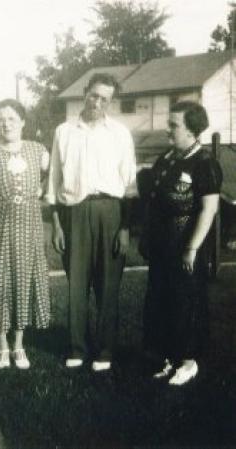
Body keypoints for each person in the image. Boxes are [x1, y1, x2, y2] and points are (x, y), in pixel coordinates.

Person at [46, 73, 137, 371]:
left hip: (110, 211)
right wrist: (57, 225)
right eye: (94, 95)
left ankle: (105, 351)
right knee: (77, 285)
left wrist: (125, 227)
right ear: (85, 92)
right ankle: (77, 347)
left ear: (111, 102)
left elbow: (130, 184)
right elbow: (54, 182)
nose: (98, 103)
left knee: (108, 285)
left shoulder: (120, 133)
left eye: (105, 99)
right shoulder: (64, 131)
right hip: (75, 212)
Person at [141, 101, 223, 385]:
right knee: (161, 300)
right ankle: (167, 356)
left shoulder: (204, 163)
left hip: (186, 244)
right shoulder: (167, 159)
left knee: (185, 301)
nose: (168, 129)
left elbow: (208, 209)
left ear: (193, 130)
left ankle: (187, 362)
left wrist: (192, 248)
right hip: (162, 244)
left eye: (174, 125)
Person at [0, 98, 50, 369]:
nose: (6, 123)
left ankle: (19, 345)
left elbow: (57, 173)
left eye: (12, 118)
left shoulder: (38, 150)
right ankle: (2, 346)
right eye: (1, 119)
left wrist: (42, 190)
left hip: (29, 224)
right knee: (0, 281)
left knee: (24, 280)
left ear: (23, 122)